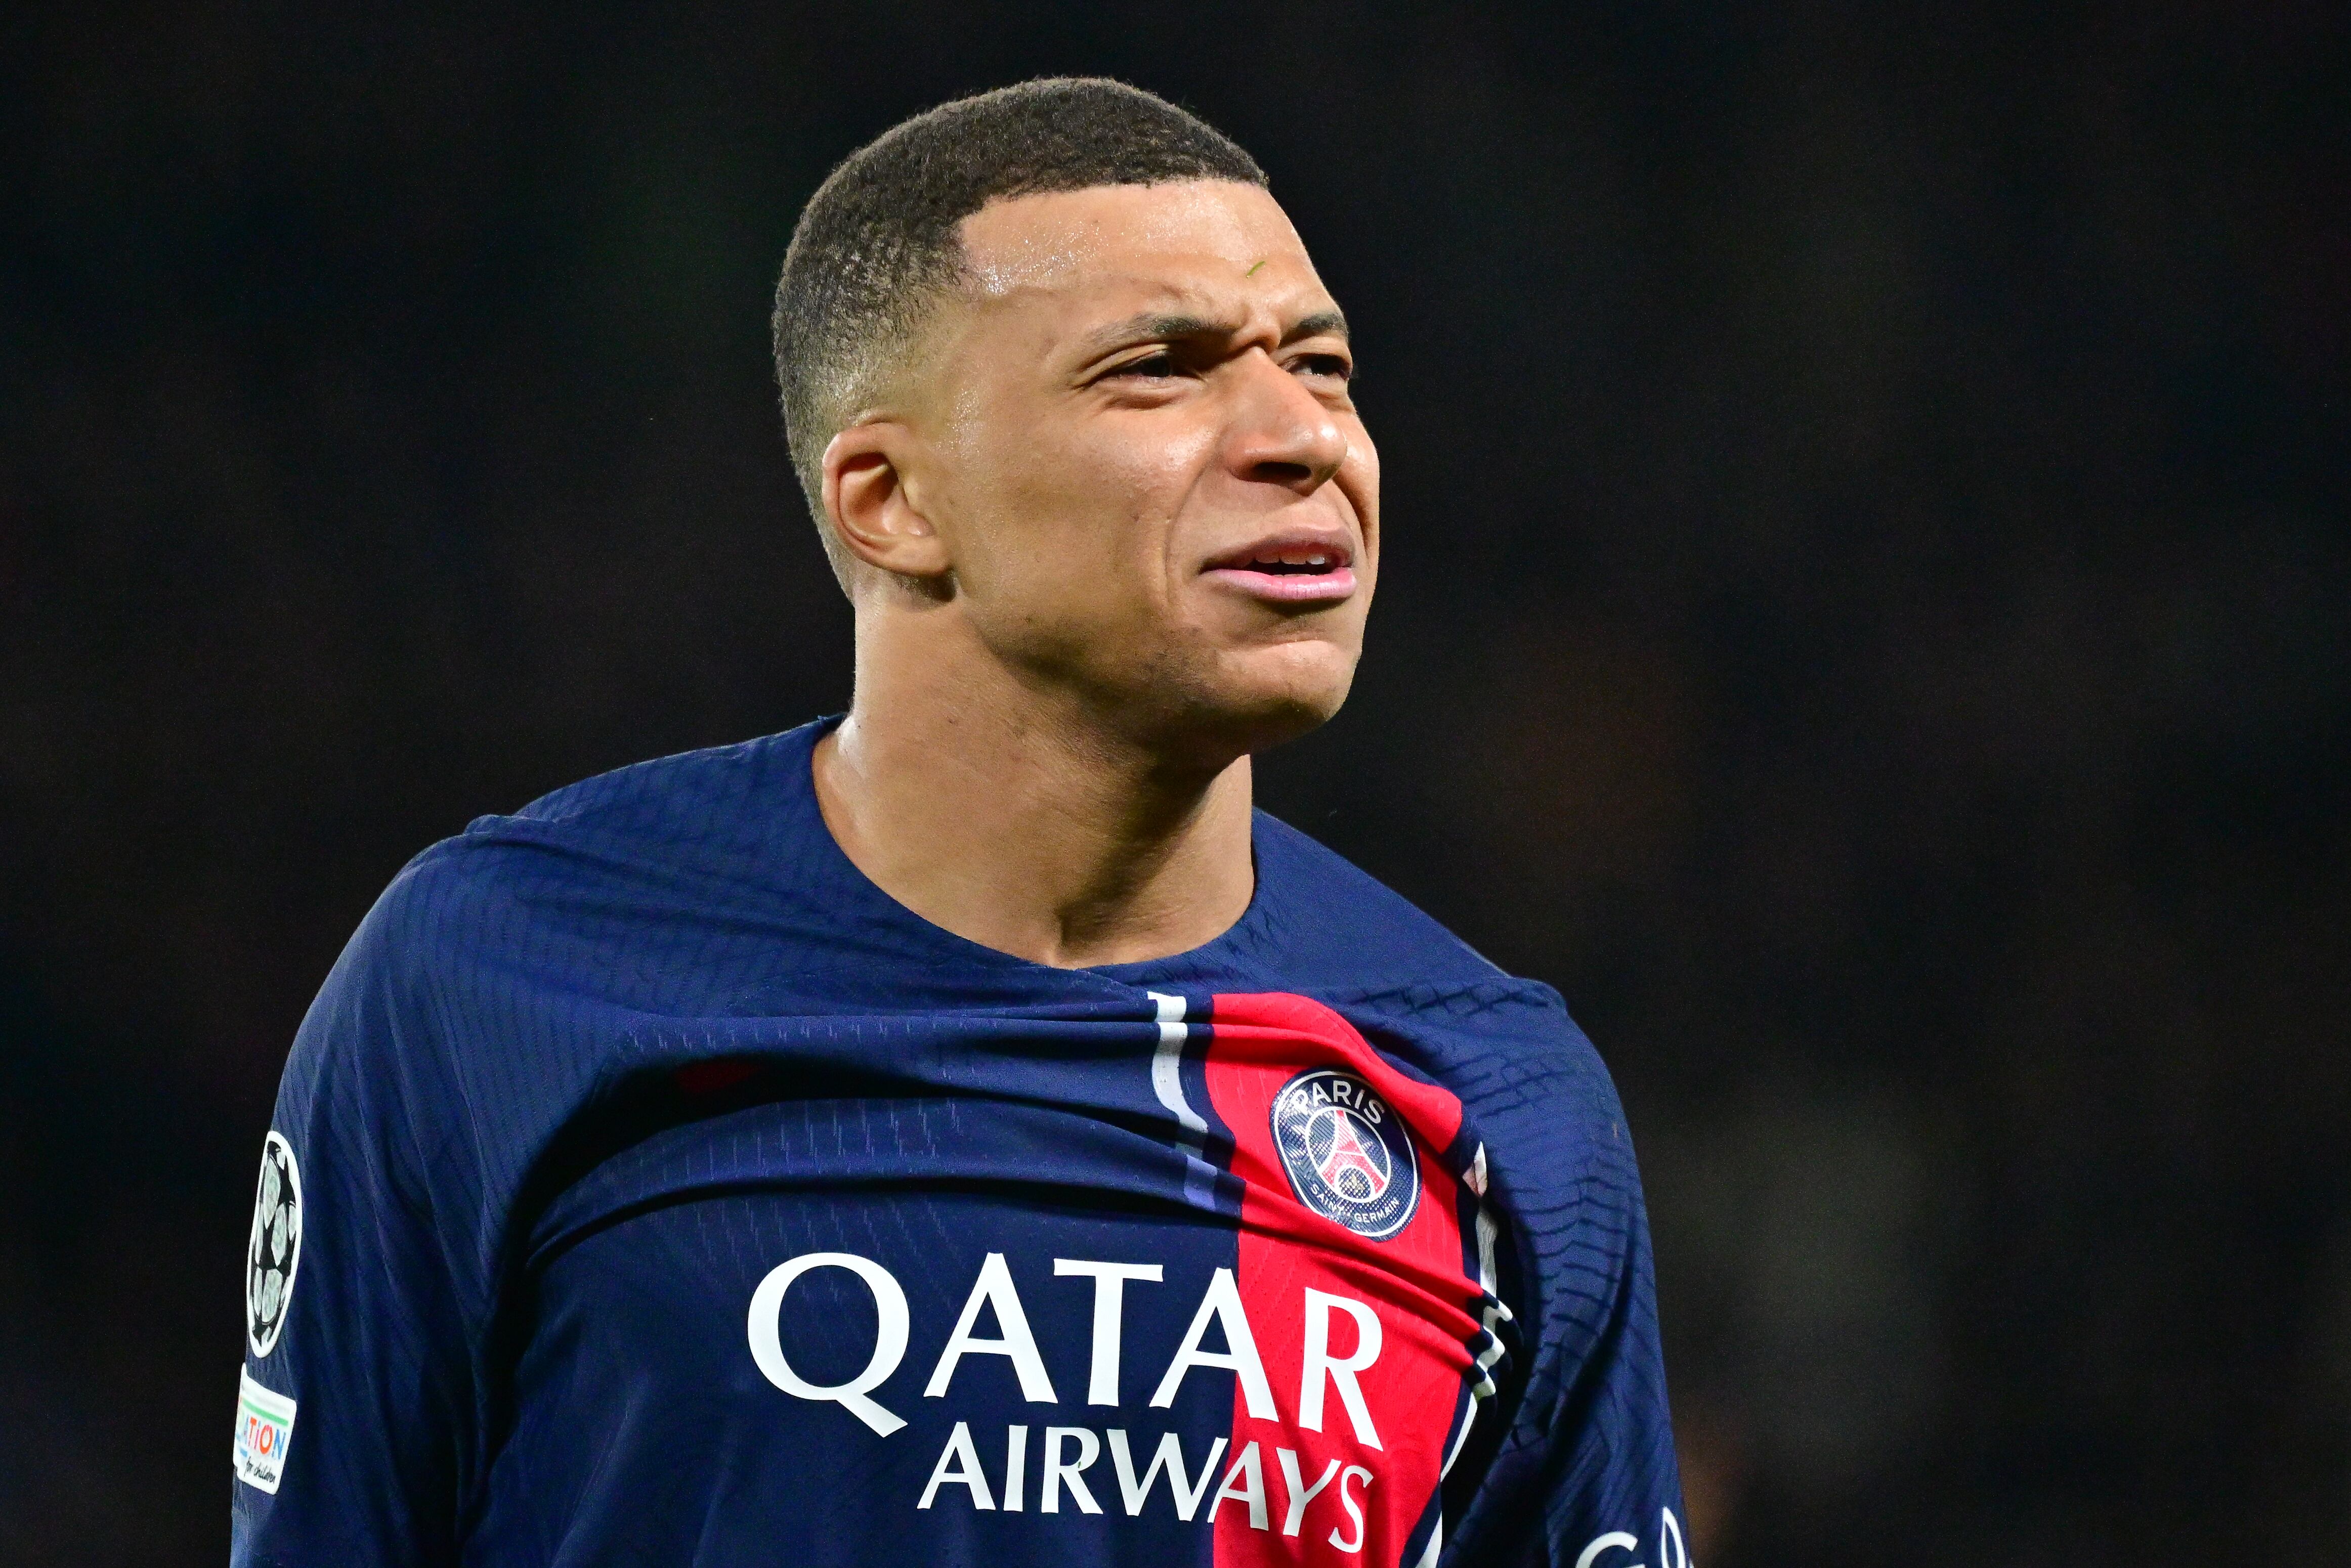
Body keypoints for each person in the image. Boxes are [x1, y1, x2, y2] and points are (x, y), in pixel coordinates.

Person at [229, 78, 1688, 1568]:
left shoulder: (1493, 1094)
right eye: (1158, 368)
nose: (1301, 433)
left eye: (1320, 364)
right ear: (889, 500)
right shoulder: (497, 977)